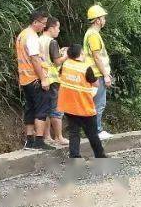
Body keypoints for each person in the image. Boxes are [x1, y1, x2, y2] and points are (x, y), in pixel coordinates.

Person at [58, 44, 107, 159]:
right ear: (80, 54)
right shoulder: (86, 68)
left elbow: (61, 75)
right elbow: (96, 83)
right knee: (92, 134)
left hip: (69, 105)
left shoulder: (65, 65)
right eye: (83, 52)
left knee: (74, 132)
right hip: (84, 107)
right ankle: (100, 156)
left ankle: (74, 157)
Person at [15, 10, 52, 150]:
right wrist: (43, 79)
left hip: (25, 79)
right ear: (35, 22)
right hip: (35, 79)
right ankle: (39, 141)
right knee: (42, 109)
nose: (44, 26)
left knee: (30, 109)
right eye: (43, 23)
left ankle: (29, 140)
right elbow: (35, 59)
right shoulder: (32, 37)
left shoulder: (22, 35)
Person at [83, 4, 115, 140]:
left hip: (94, 74)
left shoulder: (91, 34)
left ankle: (94, 130)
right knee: (99, 103)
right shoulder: (93, 35)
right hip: (97, 74)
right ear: (97, 20)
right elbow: (96, 56)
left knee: (95, 103)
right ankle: (96, 130)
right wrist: (106, 75)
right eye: (103, 18)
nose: (104, 20)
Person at [38, 16, 69, 145]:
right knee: (56, 108)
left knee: (45, 108)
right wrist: (66, 55)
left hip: (41, 77)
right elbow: (56, 62)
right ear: (51, 28)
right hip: (52, 78)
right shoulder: (52, 42)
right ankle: (59, 137)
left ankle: (47, 137)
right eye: (58, 27)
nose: (59, 30)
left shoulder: (38, 39)